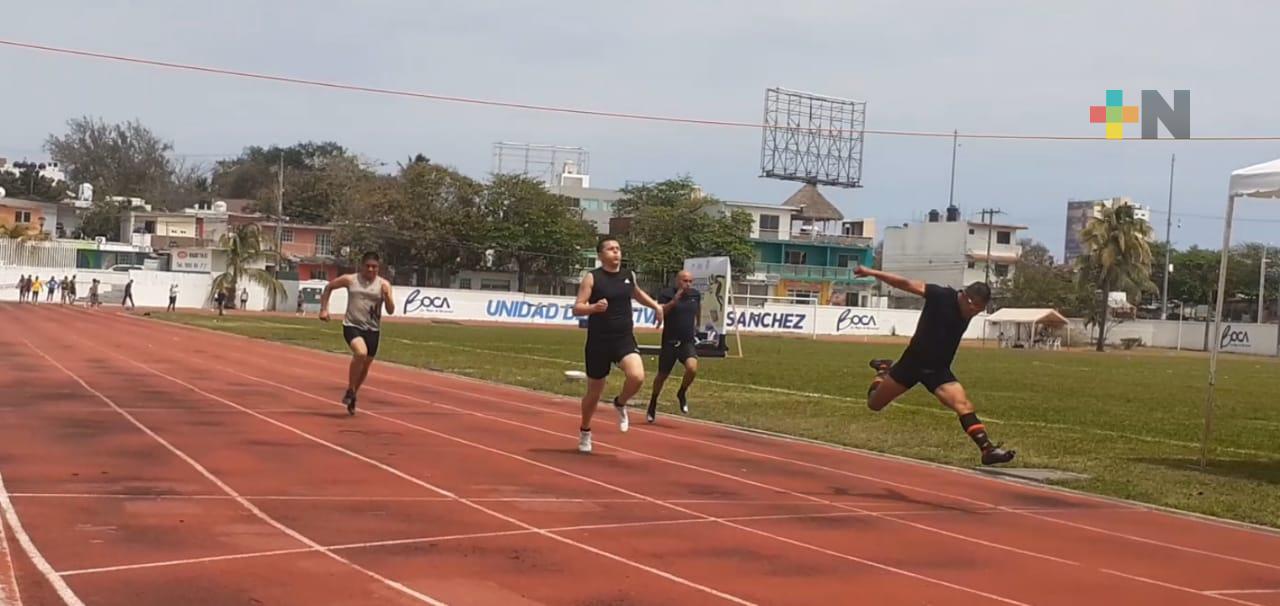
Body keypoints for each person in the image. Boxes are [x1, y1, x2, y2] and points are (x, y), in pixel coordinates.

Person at [856, 266, 1015, 466]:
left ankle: (987, 450)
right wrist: (873, 273)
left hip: (938, 370)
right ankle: (883, 371)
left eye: (980, 311)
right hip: (911, 364)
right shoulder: (940, 295)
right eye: (974, 308)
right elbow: (905, 283)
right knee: (874, 404)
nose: (974, 313)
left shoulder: (970, 310)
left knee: (963, 404)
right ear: (965, 297)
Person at [571, 238, 664, 453]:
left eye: (618, 249)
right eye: (611, 249)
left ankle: (620, 403)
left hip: (623, 338)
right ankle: (585, 430)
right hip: (598, 341)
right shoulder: (593, 277)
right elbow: (577, 307)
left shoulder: (628, 276)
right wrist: (593, 307)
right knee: (593, 394)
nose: (616, 252)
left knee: (637, 376)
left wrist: (656, 306)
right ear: (601, 255)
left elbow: (637, 293)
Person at [319, 252, 395, 416]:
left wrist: (387, 296)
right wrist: (324, 308)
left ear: (378, 267)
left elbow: (390, 310)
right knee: (361, 353)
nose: (370, 269)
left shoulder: (384, 285)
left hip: (373, 329)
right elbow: (329, 286)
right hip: (352, 325)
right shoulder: (350, 280)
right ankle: (351, 391)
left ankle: (352, 392)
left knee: (366, 365)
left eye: (374, 266)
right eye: (367, 266)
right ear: (362, 266)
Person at [647, 270, 701, 424]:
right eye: (685, 281)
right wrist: (674, 300)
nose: (688, 284)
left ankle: (682, 393)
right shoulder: (666, 294)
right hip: (670, 341)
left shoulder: (695, 295)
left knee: (692, 368)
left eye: (690, 281)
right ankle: (653, 402)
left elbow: (698, 309)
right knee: (662, 376)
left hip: (687, 342)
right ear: (677, 280)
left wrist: (697, 325)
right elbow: (661, 311)